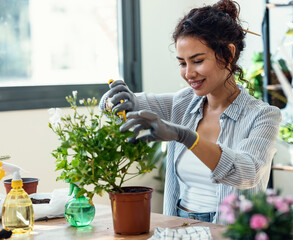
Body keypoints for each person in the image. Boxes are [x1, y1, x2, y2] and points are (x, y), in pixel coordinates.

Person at [100, 0, 281, 224]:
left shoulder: (263, 116)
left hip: (229, 233)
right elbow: (115, 105)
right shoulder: (183, 104)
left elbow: (246, 173)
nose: (189, 73)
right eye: (182, 63)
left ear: (228, 54)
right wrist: (113, 99)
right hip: (179, 227)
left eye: (197, 61)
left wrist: (185, 136)